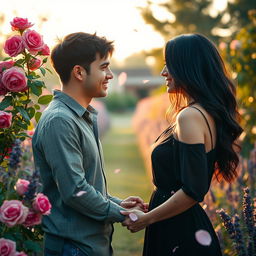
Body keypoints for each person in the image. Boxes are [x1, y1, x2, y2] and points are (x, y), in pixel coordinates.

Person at [121, 34, 243, 255]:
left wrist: (146, 219)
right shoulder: (202, 112)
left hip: (180, 232)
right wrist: (156, 208)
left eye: (169, 65)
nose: (163, 72)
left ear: (188, 68)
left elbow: (192, 191)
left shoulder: (190, 117)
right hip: (176, 222)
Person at [32, 32, 146, 256]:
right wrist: (124, 215)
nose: (110, 75)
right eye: (104, 67)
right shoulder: (60, 121)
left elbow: (85, 185)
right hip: (73, 247)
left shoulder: (79, 116)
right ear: (79, 72)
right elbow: (75, 191)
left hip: (87, 245)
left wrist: (119, 204)